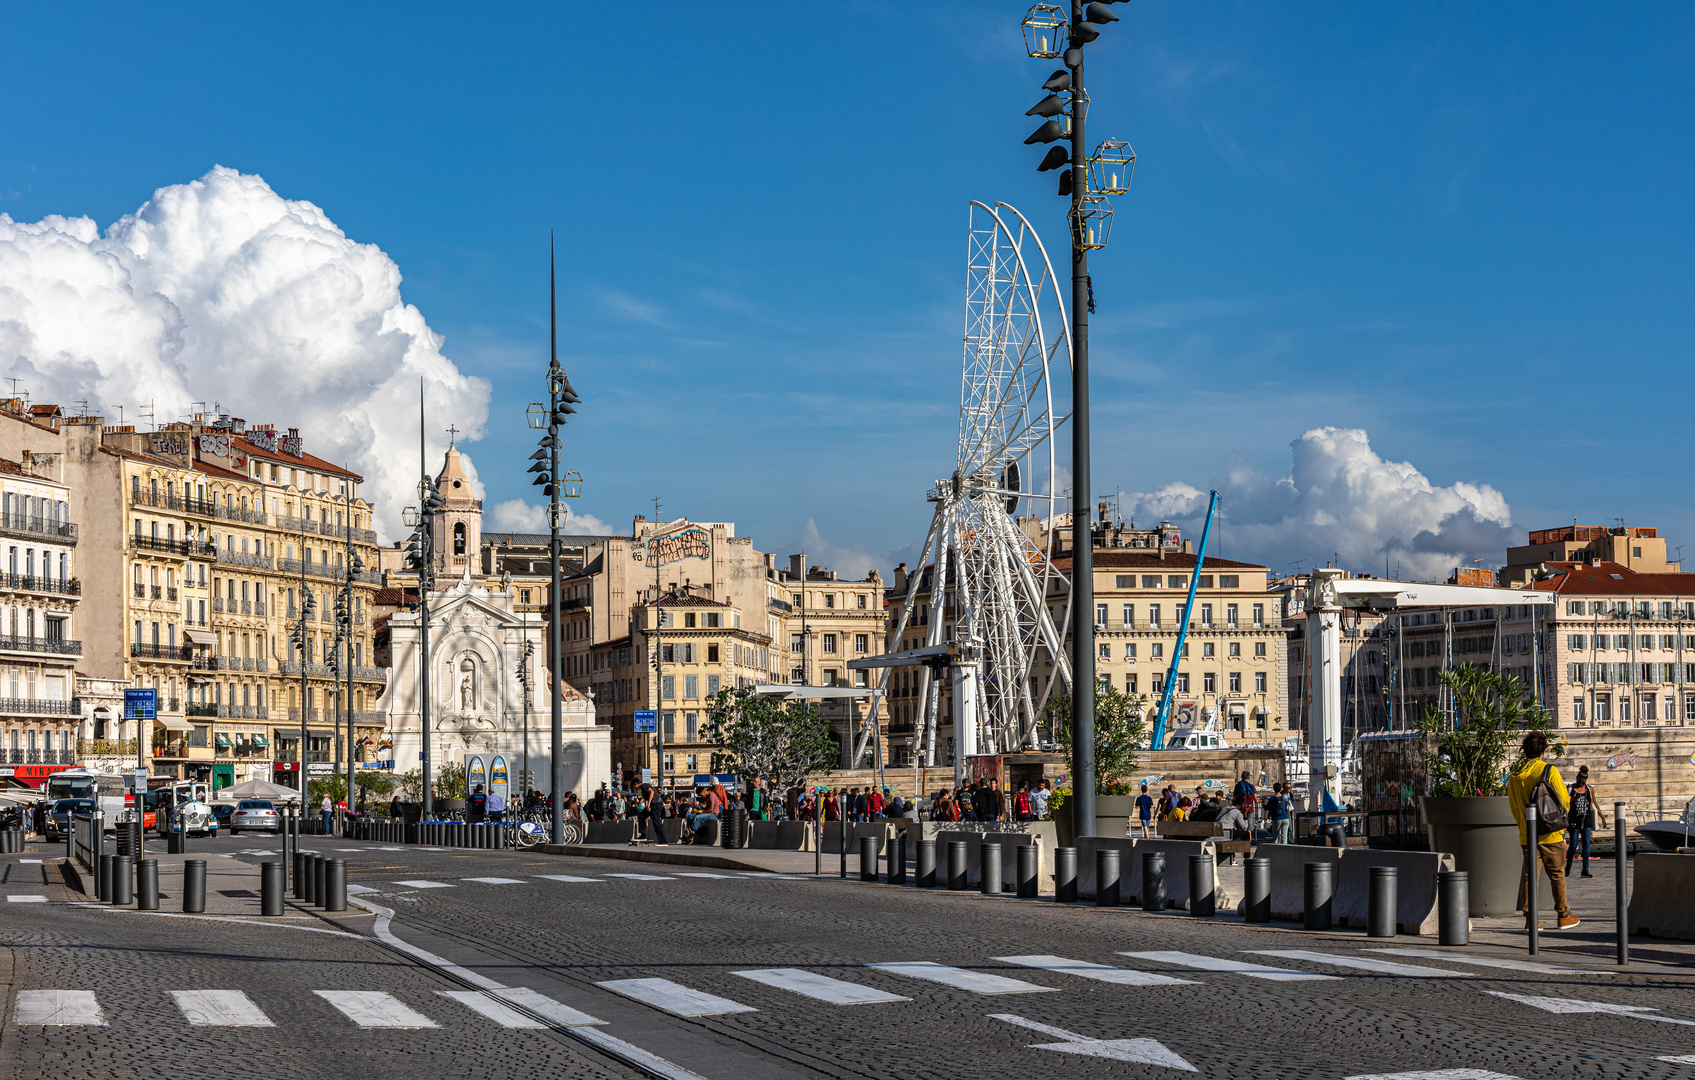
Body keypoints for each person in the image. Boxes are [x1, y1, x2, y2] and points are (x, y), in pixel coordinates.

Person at [1508, 731, 1578, 931]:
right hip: (1550, 833)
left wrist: (1524, 824)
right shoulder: (1549, 771)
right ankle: (1563, 915)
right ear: (1543, 751)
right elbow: (1564, 800)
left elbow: (1513, 806)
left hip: (1527, 834)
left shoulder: (1515, 775)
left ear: (1525, 751)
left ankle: (1531, 919)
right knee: (1557, 874)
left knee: (1530, 876)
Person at [1565, 767, 1607, 878]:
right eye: (1579, 782)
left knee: (1586, 845)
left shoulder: (1589, 789)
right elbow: (1562, 802)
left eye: (1583, 783)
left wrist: (1602, 817)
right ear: (1576, 778)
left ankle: (1585, 869)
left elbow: (1594, 803)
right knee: (1573, 845)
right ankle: (1568, 867)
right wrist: (1571, 800)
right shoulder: (1569, 788)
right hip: (1574, 820)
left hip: (1586, 820)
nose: (1580, 784)